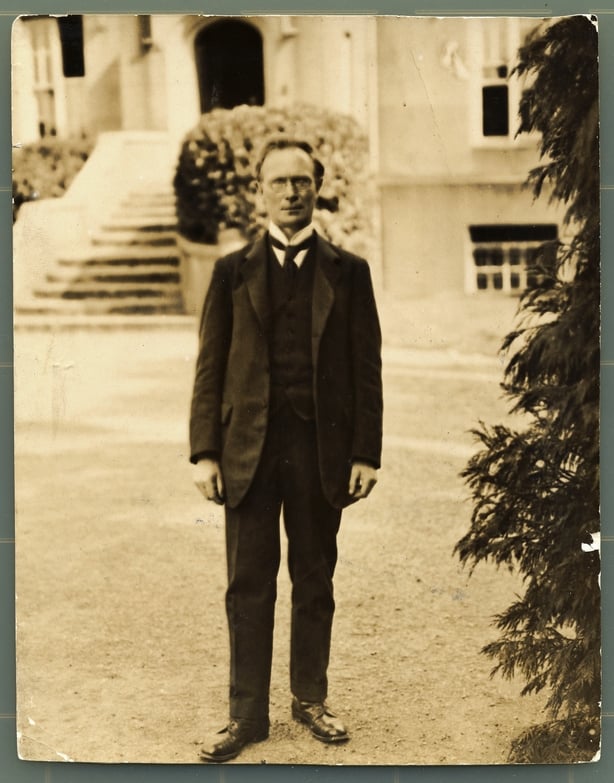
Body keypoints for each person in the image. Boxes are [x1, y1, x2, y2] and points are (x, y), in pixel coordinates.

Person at [190, 136, 383, 763]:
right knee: (247, 583)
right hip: (246, 450)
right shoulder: (231, 271)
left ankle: (310, 699)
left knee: (314, 577)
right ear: (260, 191)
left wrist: (366, 453)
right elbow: (210, 366)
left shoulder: (349, 272)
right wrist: (204, 452)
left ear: (318, 187)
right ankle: (246, 715)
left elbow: (367, 369)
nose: (291, 192)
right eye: (279, 181)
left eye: (302, 181)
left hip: (320, 449)